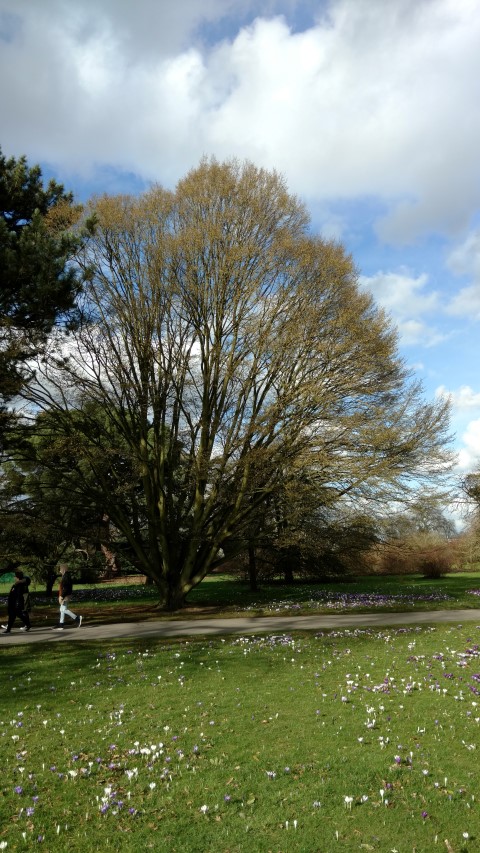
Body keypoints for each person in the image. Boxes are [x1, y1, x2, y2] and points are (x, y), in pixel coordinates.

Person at [52, 563, 82, 630]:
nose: (60, 571)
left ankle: (77, 618)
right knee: (62, 609)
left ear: (64, 569)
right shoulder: (66, 576)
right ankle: (61, 624)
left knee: (63, 609)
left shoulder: (66, 577)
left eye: (60, 569)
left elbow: (65, 588)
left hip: (66, 595)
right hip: (66, 595)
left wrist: (62, 596)